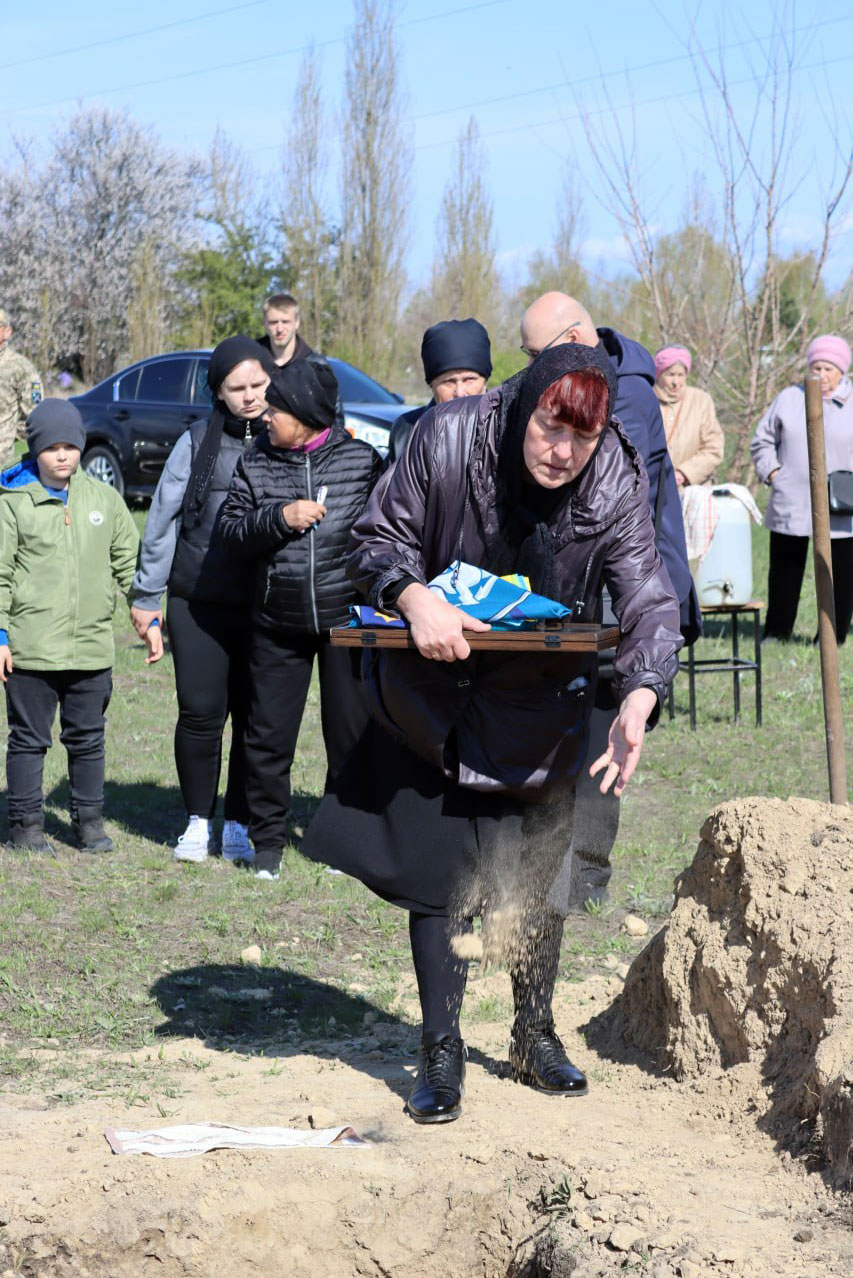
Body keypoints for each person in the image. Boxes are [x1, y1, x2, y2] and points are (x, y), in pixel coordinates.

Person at [303, 343, 682, 1123]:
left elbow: (648, 594)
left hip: (541, 696)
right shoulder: (445, 437)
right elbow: (373, 541)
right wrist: (415, 599)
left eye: (581, 437)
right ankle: (439, 1049)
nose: (562, 452)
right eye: (550, 429)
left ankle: (532, 1034)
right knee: (441, 870)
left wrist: (641, 694)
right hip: (432, 689)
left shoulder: (612, 472)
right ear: (524, 408)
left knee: (541, 868)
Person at [519, 291, 697, 909]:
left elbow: (614, 502)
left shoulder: (629, 396)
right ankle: (545, 866)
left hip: (627, 592)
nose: (531, 369)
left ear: (573, 339)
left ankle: (586, 876)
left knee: (606, 731)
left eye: (536, 354)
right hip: (578, 591)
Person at [218, 358, 383, 882]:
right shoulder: (256, 462)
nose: (265, 416)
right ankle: (267, 842)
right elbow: (229, 532)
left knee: (350, 736)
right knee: (267, 736)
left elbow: (387, 532)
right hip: (277, 622)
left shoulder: (362, 461)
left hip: (344, 622)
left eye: (276, 409)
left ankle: (343, 840)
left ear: (307, 415)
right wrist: (279, 517)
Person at [130, 336, 276, 864]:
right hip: (197, 600)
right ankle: (197, 821)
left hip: (264, 605)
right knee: (200, 712)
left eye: (258, 384)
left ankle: (238, 821)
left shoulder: (286, 437)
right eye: (237, 388)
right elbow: (162, 521)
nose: (250, 396)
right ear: (217, 392)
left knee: (253, 717)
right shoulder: (195, 442)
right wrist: (147, 595)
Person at [0, 399, 151, 855]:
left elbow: (129, 562)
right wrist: (1, 635)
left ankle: (89, 823)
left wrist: (147, 612)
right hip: (31, 650)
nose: (62, 455)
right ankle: (25, 826)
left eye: (70, 445)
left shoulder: (103, 500)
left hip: (90, 649)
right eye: (52, 447)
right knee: (29, 740)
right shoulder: (13, 504)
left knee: (88, 740)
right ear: (35, 449)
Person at [750, 334, 853, 645]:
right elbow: (762, 440)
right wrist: (774, 473)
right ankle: (777, 631)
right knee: (785, 569)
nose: (821, 374)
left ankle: (832, 636)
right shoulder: (788, 398)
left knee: (841, 573)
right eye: (816, 367)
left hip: (842, 503)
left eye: (828, 368)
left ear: (842, 371)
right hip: (792, 498)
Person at [387, 318, 492, 464]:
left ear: (485, 380)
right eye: (449, 382)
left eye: (469, 379)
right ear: (432, 385)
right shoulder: (408, 430)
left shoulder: (508, 427)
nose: (460, 393)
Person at [653, 345, 724, 486]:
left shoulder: (701, 401)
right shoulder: (645, 399)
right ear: (659, 374)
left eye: (681, 375)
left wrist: (684, 473)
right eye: (671, 375)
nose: (676, 382)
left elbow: (714, 447)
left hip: (692, 489)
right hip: (652, 487)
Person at [0, 307, 44, 470]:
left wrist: (8, 437)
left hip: (3, 461)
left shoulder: (21, 368)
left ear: (7, 332)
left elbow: (34, 413)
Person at [258, 293, 312, 367]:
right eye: (273, 322)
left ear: (297, 322)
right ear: (265, 323)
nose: (280, 329)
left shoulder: (316, 366)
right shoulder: (250, 362)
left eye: (285, 322)